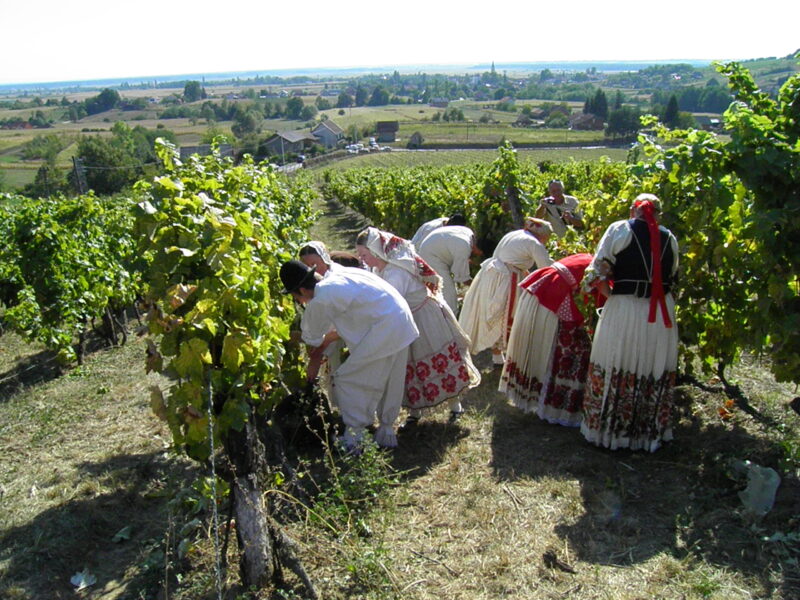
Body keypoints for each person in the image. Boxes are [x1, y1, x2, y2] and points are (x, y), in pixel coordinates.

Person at [279, 259, 419, 450]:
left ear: (302, 291)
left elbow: (313, 338)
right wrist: (319, 352)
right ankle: (385, 432)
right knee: (390, 379)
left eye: (296, 297)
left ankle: (354, 438)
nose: (299, 302)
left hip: (385, 328)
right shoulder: (341, 277)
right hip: (401, 320)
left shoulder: (321, 300)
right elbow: (331, 332)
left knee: (349, 380)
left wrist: (312, 358)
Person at [580, 194, 679, 452]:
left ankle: (611, 430)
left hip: (626, 306)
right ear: (658, 213)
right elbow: (673, 275)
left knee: (618, 359)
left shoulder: (620, 229)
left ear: (633, 210)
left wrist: (609, 294)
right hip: (660, 310)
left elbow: (596, 271)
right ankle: (644, 433)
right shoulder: (671, 238)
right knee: (650, 363)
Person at [355, 227, 481, 424]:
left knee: (435, 360)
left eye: (364, 254)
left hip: (423, 317)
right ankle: (416, 411)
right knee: (409, 365)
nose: (363, 259)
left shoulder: (396, 272)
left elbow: (388, 304)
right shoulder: (380, 268)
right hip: (406, 318)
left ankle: (455, 406)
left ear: (375, 251)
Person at [499, 253, 600, 426]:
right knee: (572, 349)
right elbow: (600, 304)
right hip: (553, 295)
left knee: (541, 343)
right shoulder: (602, 270)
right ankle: (557, 406)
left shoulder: (589, 258)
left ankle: (537, 395)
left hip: (542, 291)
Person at [458, 218, 553, 365]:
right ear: (543, 235)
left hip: (492, 274)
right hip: (507, 278)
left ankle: (498, 356)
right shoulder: (534, 243)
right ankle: (509, 355)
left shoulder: (515, 234)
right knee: (508, 312)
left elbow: (511, 256)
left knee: (495, 312)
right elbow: (546, 267)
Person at [417, 223, 476, 314]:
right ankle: (450, 318)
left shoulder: (468, 233)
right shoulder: (464, 247)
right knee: (448, 291)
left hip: (430, 246)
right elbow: (463, 279)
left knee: (440, 290)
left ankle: (441, 314)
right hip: (431, 255)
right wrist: (478, 285)